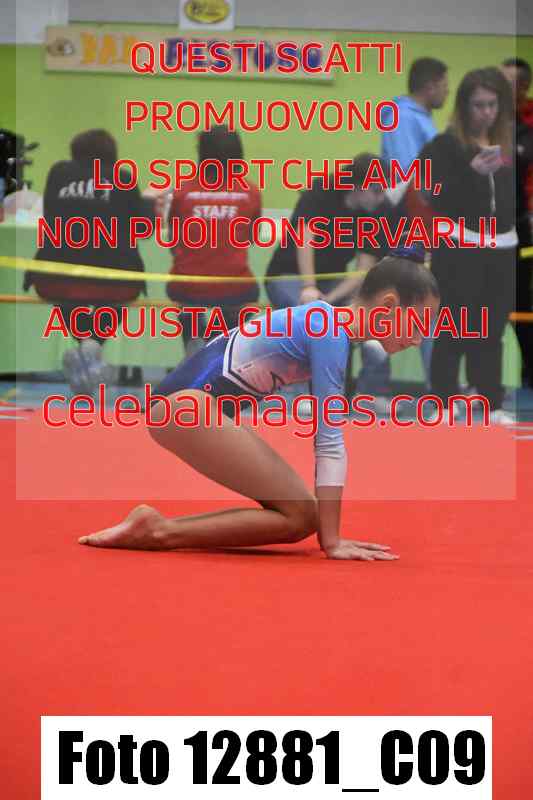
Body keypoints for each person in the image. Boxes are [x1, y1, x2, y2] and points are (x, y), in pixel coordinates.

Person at [79, 255, 440, 560]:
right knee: (303, 517)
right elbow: (329, 440)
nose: (418, 339)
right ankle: (159, 532)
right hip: (186, 408)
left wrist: (328, 534)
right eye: (419, 323)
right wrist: (332, 543)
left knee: (300, 517)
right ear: (388, 306)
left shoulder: (327, 324)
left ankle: (157, 528)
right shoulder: (329, 331)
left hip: (187, 406)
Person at [417, 67, 517, 424]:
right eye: (478, 105)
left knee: (492, 329)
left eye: (492, 105)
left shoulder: (509, 145)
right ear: (463, 107)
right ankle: (443, 400)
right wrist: (469, 173)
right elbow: (430, 195)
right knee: (454, 326)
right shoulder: (443, 146)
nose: (486, 112)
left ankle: (490, 400)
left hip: (503, 247)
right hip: (459, 246)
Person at [25, 129, 156, 392]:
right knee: (120, 294)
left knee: (67, 294)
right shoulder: (123, 178)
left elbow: (51, 214)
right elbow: (144, 228)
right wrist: (148, 202)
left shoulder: (58, 173)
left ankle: (85, 344)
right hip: (116, 281)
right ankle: (92, 345)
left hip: (56, 277)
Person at [265, 153, 398, 401]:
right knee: (310, 318)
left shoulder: (380, 211)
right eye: (376, 191)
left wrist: (330, 298)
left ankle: (372, 392)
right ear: (357, 186)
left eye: (384, 191)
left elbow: (364, 270)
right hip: (290, 274)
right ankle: (304, 394)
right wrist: (309, 287)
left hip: (332, 282)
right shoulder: (321, 193)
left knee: (371, 314)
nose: (381, 197)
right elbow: (305, 240)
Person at [166, 125, 261, 356]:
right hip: (235, 286)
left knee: (184, 293)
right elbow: (251, 238)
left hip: (187, 285)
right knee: (246, 295)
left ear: (202, 153)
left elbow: (173, 242)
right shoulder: (250, 192)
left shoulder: (183, 191)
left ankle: (194, 339)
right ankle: (218, 344)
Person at [501, 57, 533, 387]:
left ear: (522, 88)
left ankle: (530, 373)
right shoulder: (479, 125)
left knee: (522, 305)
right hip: (481, 231)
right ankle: (481, 383)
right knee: (480, 307)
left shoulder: (527, 131)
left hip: (520, 230)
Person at [381, 57, 449, 173]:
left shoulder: (419, 118)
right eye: (444, 86)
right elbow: (406, 171)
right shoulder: (403, 118)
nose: (447, 91)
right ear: (430, 87)